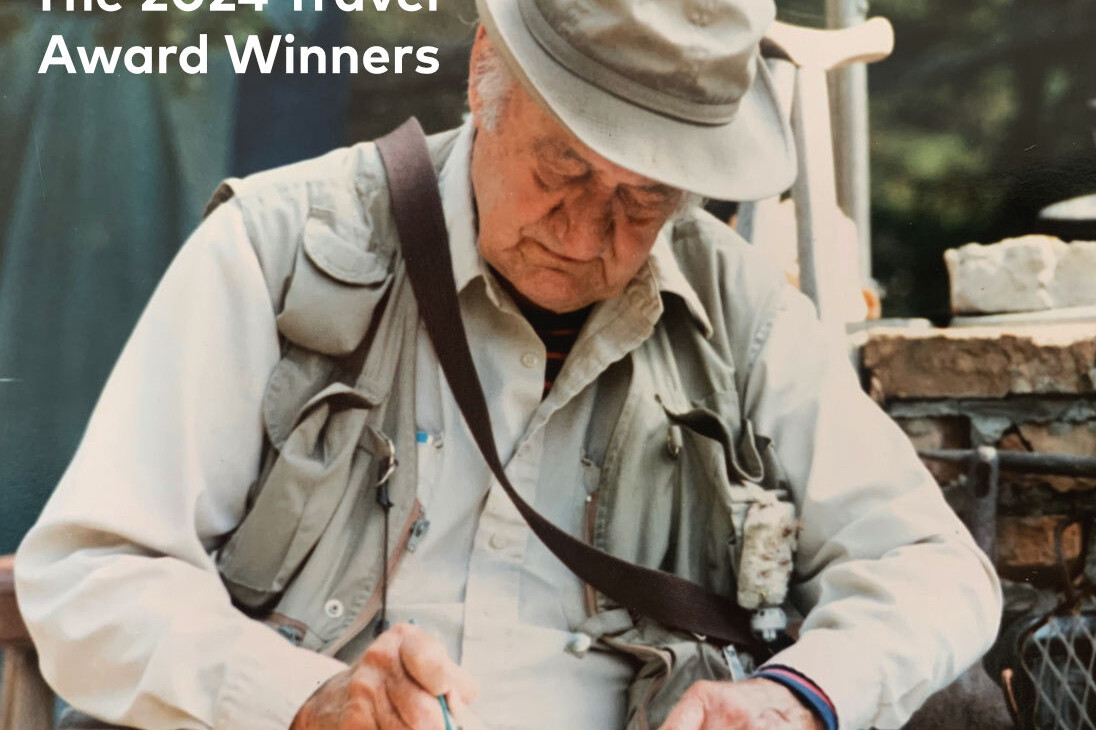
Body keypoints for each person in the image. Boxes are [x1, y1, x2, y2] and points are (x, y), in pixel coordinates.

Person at [15, 0, 1003, 729]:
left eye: (641, 200)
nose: (583, 233)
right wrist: (304, 699)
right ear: (483, 73)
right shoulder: (276, 248)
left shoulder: (738, 306)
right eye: (561, 169)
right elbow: (91, 575)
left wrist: (795, 699)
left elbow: (932, 568)